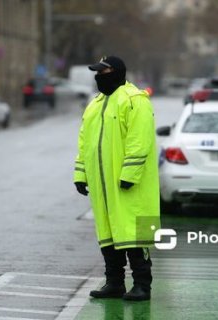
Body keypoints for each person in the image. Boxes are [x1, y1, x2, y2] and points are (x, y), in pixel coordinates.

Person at [73, 55, 160, 301]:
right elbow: (84, 143)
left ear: (118, 72)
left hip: (132, 185)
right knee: (109, 233)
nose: (99, 76)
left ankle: (143, 284)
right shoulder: (95, 104)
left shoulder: (136, 100)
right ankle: (114, 283)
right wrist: (81, 173)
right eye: (97, 72)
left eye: (104, 71)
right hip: (103, 185)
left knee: (136, 234)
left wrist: (130, 174)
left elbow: (139, 141)